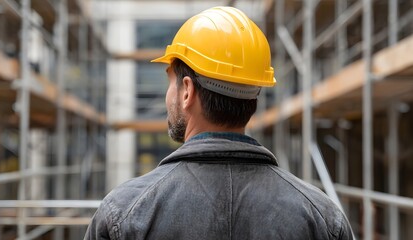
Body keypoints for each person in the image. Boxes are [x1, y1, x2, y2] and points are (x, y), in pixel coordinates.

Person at [84, 6, 353, 239]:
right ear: (254, 94)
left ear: (187, 91)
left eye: (170, 82)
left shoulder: (125, 213)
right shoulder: (322, 218)